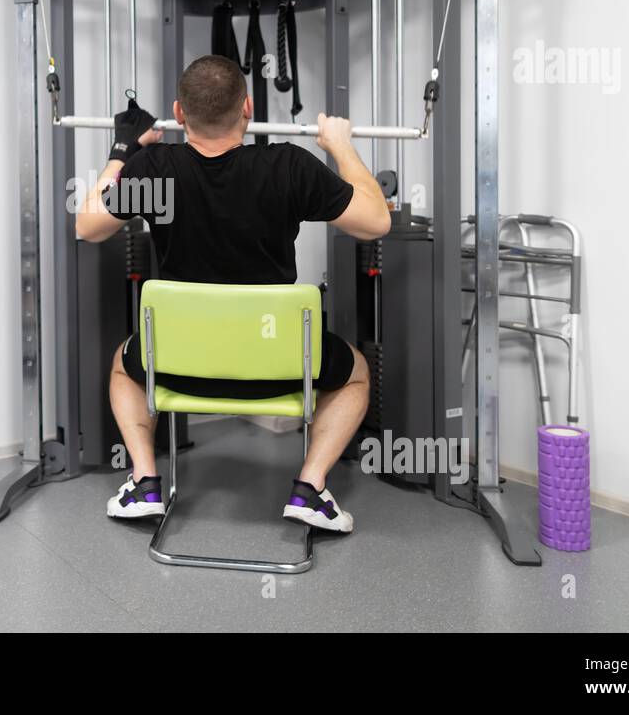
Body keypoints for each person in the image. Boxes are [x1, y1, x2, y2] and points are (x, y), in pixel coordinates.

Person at [74, 55, 391, 532]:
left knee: (125, 364)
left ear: (179, 114)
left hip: (179, 369)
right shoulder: (290, 167)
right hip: (277, 372)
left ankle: (144, 481)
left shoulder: (153, 169)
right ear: (247, 106)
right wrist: (341, 147)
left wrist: (121, 150)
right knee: (356, 374)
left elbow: (88, 224)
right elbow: (377, 221)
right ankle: (310, 486)